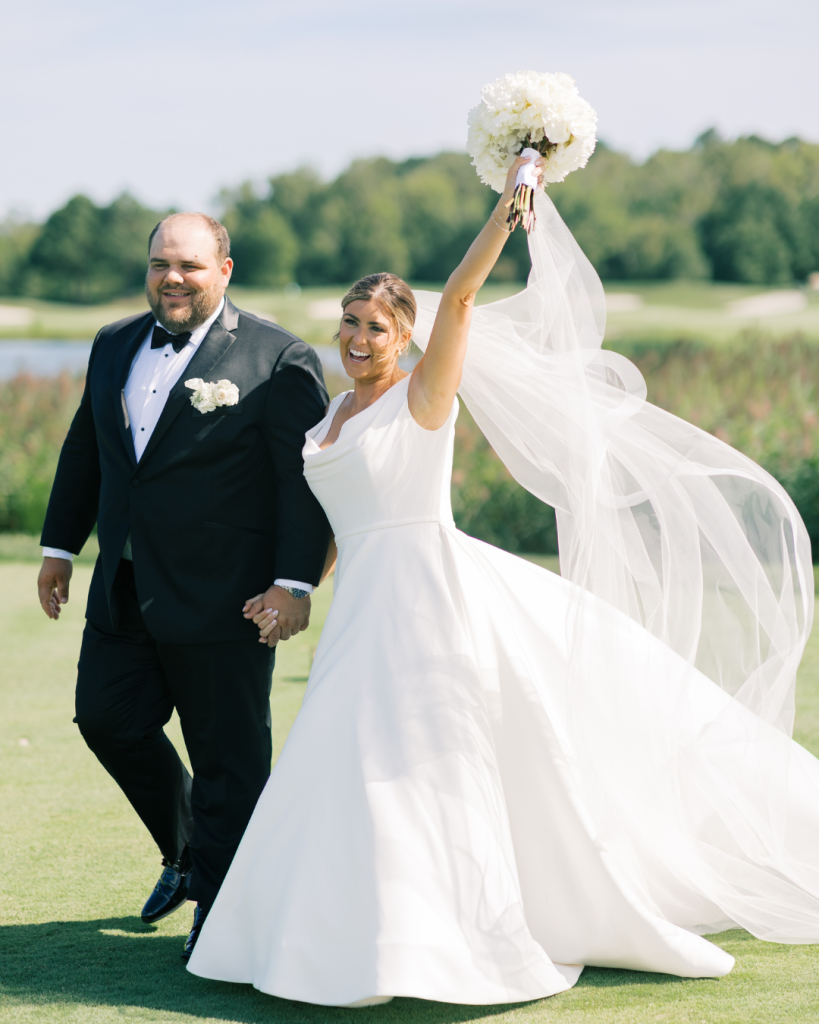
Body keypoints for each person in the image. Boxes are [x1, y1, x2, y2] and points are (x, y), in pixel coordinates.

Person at [190, 153, 819, 1005]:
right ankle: (335, 933)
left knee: (425, 760)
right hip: (363, 604)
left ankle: (455, 933)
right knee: (347, 757)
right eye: (348, 322)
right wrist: (294, 587)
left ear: (405, 335)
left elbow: (457, 297)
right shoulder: (334, 413)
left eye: (375, 327)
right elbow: (343, 519)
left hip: (427, 596)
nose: (356, 339)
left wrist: (508, 204)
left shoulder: (424, 393)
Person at [36, 212, 331, 960]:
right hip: (124, 585)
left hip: (225, 596)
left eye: (190, 266)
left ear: (223, 271)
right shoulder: (112, 344)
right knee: (107, 719)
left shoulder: (278, 357)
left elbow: (299, 486)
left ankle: (224, 915)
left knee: (229, 759)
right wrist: (58, 546)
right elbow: (87, 447)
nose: (173, 277)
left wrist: (293, 584)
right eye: (162, 263)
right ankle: (187, 854)